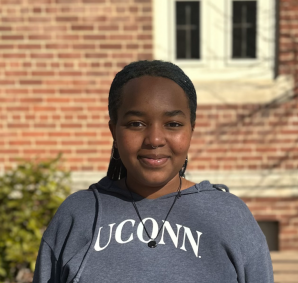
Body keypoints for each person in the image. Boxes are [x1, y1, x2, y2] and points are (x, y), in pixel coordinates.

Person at [33, 60, 274, 283]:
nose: (155, 139)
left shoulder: (229, 217)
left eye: (173, 124)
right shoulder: (77, 216)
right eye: (136, 124)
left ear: (191, 129)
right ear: (114, 131)